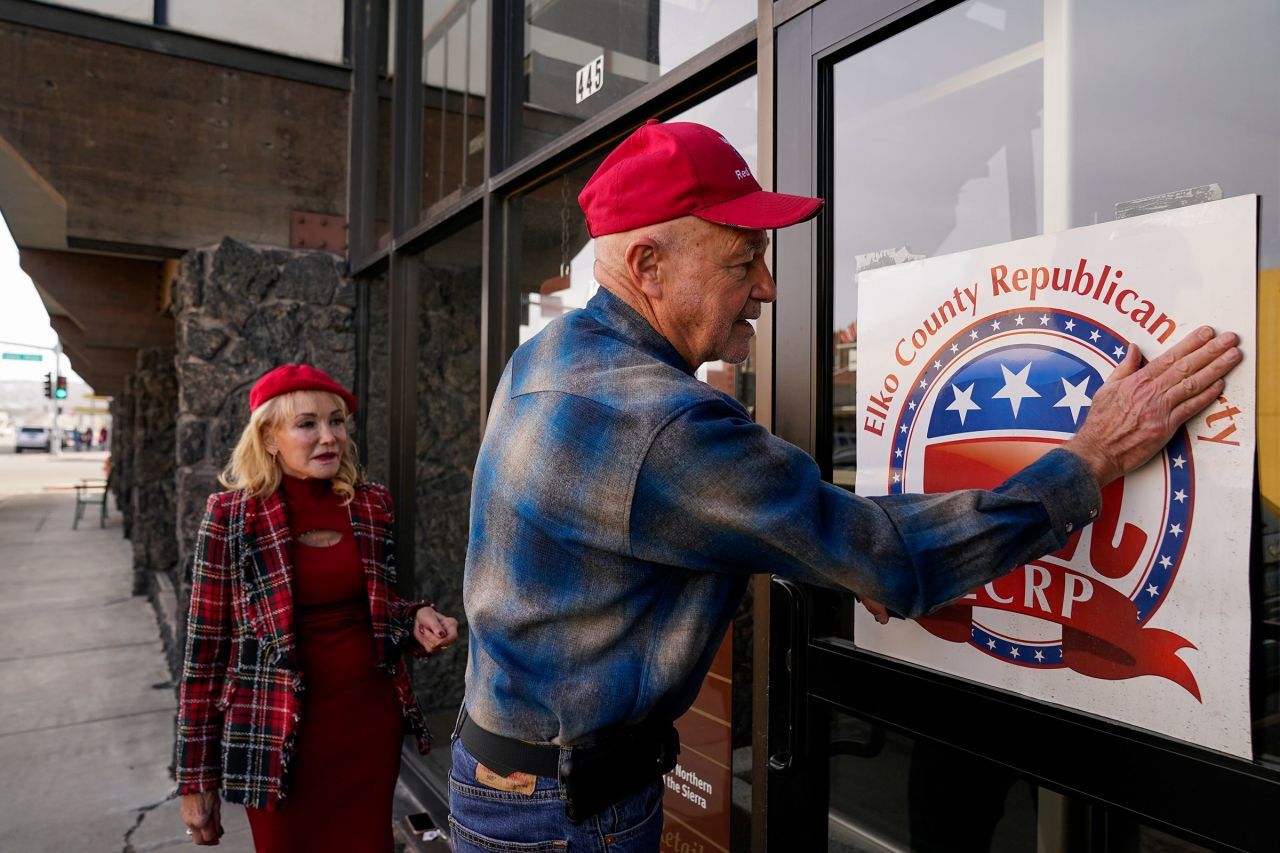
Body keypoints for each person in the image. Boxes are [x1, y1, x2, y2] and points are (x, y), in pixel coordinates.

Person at [449, 119, 1242, 851]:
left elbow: (670, 524)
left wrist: (819, 541)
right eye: (742, 261)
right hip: (570, 813)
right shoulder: (665, 425)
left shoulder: (553, 356)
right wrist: (1092, 457)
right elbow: (889, 557)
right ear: (648, 265)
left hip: (505, 777)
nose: (768, 288)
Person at [174, 364, 459, 850]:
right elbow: (204, 654)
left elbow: (380, 604)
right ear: (268, 437)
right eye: (307, 424)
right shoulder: (230, 519)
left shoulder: (370, 506)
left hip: (367, 723)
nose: (328, 437)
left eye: (337, 422)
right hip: (273, 732)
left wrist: (414, 618)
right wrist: (195, 776)